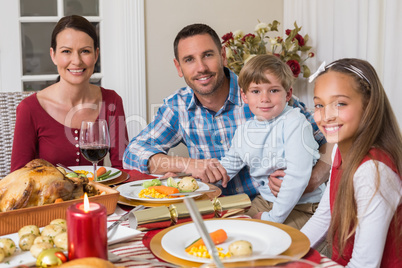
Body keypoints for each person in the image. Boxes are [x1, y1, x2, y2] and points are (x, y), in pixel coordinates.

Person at [123, 23, 329, 199]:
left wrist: (314, 177)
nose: (201, 67)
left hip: (272, 205)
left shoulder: (263, 94)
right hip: (214, 210)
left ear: (223, 56)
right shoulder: (177, 106)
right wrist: (187, 165)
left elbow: (330, 139)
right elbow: (133, 153)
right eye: (189, 60)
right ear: (178, 67)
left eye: (208, 55)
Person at [301, 58, 402, 267]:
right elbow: (324, 217)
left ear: (369, 106)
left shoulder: (373, 172)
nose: (326, 116)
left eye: (340, 103)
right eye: (319, 105)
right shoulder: (340, 147)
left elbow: (365, 264)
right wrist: (282, 251)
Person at [219, 54, 323, 229]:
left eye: (273, 90)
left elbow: (297, 178)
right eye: (256, 91)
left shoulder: (294, 122)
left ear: (288, 93)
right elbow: (226, 167)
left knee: (263, 236)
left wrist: (272, 219)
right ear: (244, 96)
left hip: (303, 206)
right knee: (232, 229)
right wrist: (190, 184)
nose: (264, 98)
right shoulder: (244, 131)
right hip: (266, 200)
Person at [11, 15, 128, 171]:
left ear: (96, 55)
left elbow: (123, 167)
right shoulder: (29, 109)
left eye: (85, 51)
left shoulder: (112, 101)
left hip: (97, 195)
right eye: (66, 51)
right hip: (50, 196)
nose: (76, 61)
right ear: (53, 55)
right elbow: (18, 175)